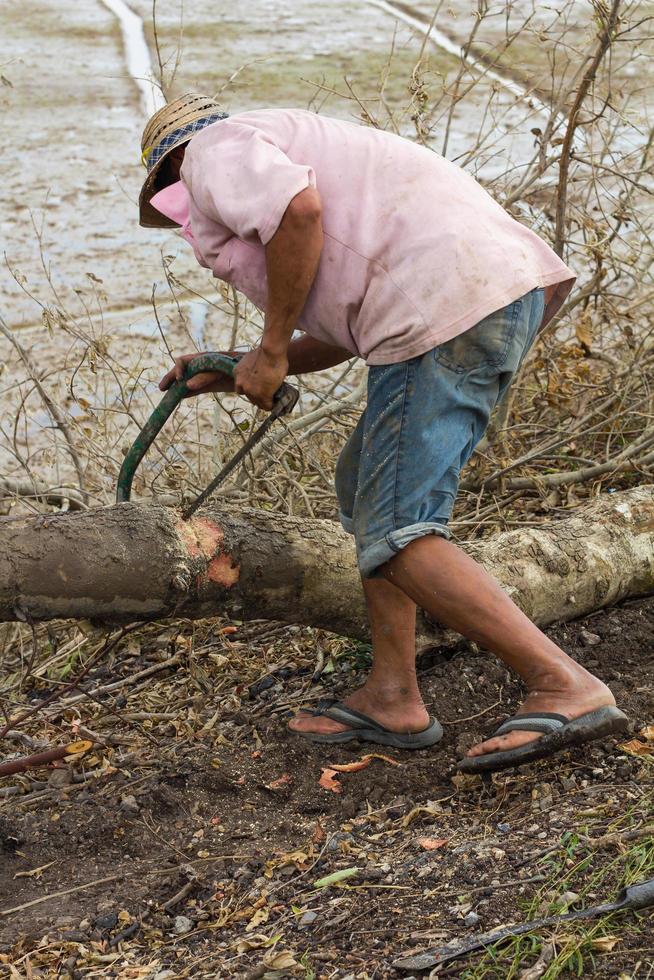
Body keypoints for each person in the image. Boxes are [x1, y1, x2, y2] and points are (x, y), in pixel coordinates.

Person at [141, 93, 627, 773]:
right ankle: (394, 694)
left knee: (401, 527)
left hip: (442, 303)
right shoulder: (298, 140)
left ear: (169, 181)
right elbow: (343, 323)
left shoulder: (211, 152)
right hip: (490, 293)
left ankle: (564, 685)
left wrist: (272, 346)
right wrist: (243, 365)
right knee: (369, 490)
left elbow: (297, 213)